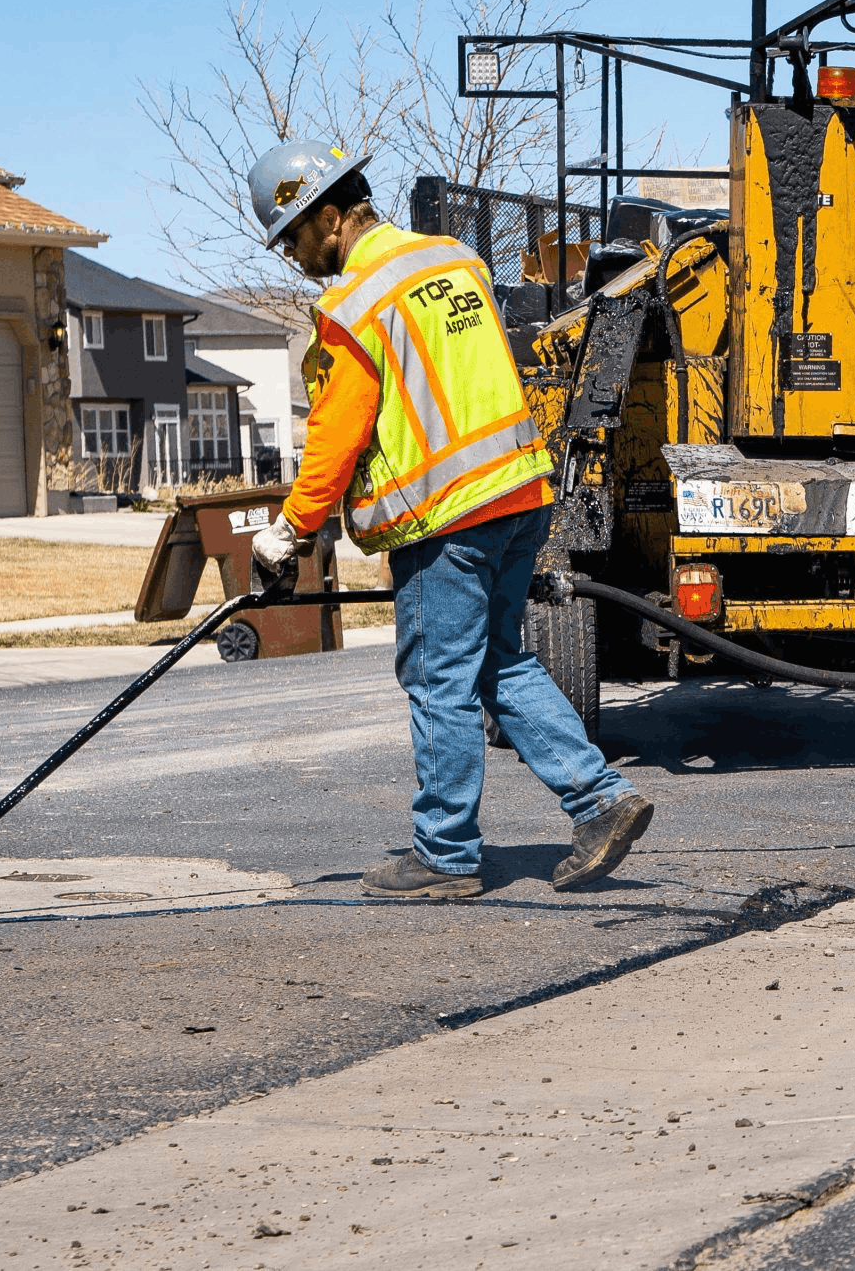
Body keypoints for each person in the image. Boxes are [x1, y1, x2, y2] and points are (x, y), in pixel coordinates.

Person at [245, 141, 651, 900]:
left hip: (446, 517)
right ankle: (600, 800)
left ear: (328, 216)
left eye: (292, 237)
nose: (293, 257)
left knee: (438, 679)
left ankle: (445, 853)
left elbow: (337, 432)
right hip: (520, 493)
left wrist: (289, 528)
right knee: (499, 661)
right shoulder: (455, 260)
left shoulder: (357, 303)